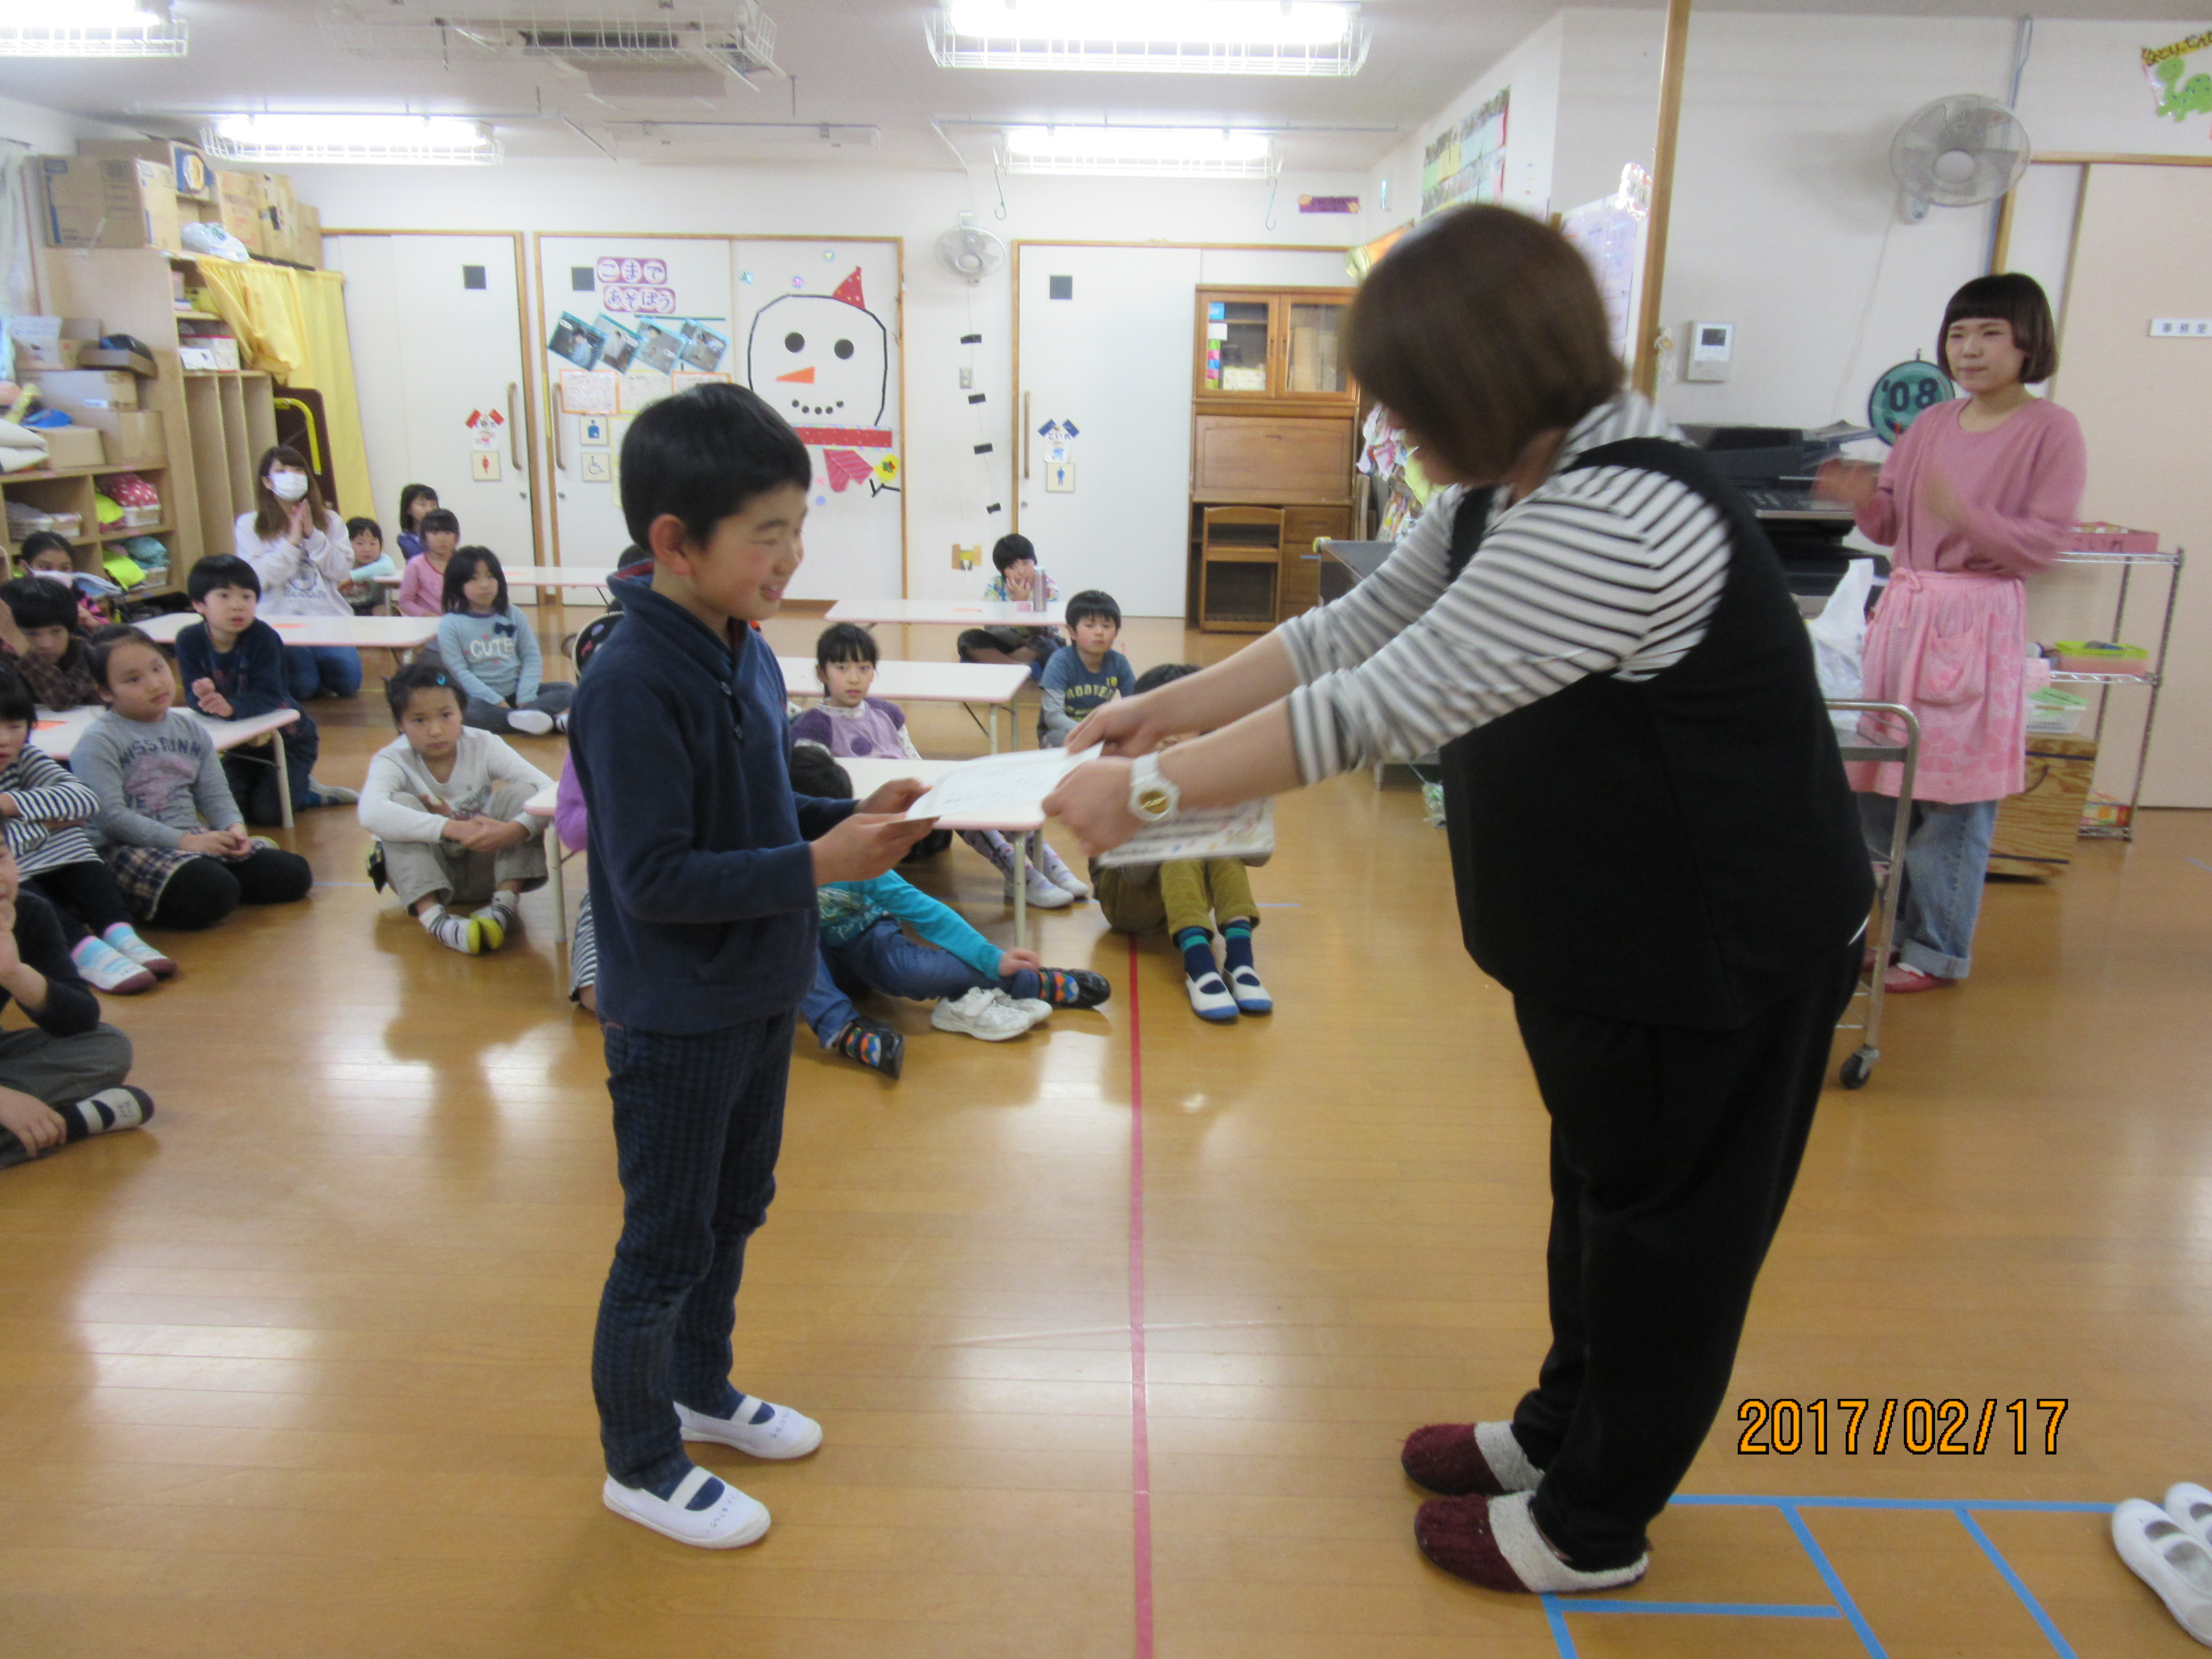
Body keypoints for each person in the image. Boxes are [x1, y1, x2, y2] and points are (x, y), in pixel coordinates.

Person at [1043, 205, 1871, 1597]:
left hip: (1719, 951)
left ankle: (1594, 1523)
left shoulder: (1621, 513)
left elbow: (1378, 705)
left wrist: (1155, 792)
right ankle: (1559, 1431)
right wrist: (1166, 707)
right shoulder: (1510, 486)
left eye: (1408, 403)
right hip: (1616, 947)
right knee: (1600, 1192)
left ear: (1487, 384)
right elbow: (1344, 630)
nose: (1390, 429)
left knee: (1667, 1239)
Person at [569, 380, 939, 1549]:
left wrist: (845, 814)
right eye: (767, 533)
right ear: (675, 542)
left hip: (759, 987)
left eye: (798, 525)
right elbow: (654, 877)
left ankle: (700, 1389)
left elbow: (751, 805)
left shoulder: (745, 647)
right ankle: (639, 1460)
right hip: (677, 1012)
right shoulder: (631, 681)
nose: (792, 555)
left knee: (736, 1207)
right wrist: (818, 861)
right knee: (664, 1241)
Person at [1815, 273, 2087, 994]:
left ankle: (1936, 950)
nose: (1970, 349)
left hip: (1976, 620)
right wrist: (1862, 496)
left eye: (1991, 333)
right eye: (1959, 334)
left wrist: (1964, 513)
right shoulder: (1931, 425)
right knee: (1883, 790)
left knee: (1952, 797)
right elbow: (1891, 525)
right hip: (1906, 618)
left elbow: (2042, 544)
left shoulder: (2051, 429)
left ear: (2029, 343)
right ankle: (1891, 936)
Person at [788, 746, 1109, 1075]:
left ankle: (1032, 982)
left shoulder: (862, 865)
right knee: (789, 941)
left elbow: (927, 913)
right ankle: (842, 1029)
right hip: (810, 965)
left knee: (916, 972)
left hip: (865, 940)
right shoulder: (780, 868)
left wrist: (993, 958)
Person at [791, 622, 1088, 909]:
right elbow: (819, 784)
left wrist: (934, 784)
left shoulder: (887, 713)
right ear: (822, 673)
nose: (854, 678)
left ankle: (1046, 864)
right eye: (842, 668)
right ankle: (1019, 874)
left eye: (864, 668)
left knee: (981, 793)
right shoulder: (814, 725)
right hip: (872, 811)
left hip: (908, 798)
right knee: (955, 804)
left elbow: (914, 760)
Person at [72, 626, 315, 932]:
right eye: (134, 680)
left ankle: (204, 879)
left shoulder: (190, 729)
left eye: (158, 668)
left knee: (294, 875)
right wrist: (186, 843)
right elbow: (111, 818)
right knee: (212, 892)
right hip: (125, 849)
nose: (154, 684)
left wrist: (235, 829)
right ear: (106, 692)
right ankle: (129, 898)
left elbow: (215, 794)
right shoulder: (99, 741)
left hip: (190, 837)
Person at [1089, 663, 1272, 1022]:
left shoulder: (1216, 769)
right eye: (1159, 724)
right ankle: (1199, 968)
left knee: (1220, 848)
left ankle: (1241, 962)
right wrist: (1165, 819)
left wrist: (1241, 820)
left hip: (1187, 897)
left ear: (1205, 724)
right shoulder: (1124, 771)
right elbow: (1134, 875)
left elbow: (1259, 857)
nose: (1170, 737)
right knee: (1181, 846)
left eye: (1183, 723)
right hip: (1127, 900)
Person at [360, 660, 553, 957]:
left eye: (446, 715)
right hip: (428, 872)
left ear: (462, 712)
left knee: (523, 793)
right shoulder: (392, 759)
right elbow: (370, 812)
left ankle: (503, 907)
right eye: (419, 720)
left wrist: (515, 830)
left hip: (487, 864)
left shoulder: (484, 744)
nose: (436, 730)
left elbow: (549, 791)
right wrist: (451, 827)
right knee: (397, 806)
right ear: (400, 724)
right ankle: (437, 921)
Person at [0, 662, 172, 994]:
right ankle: (82, 950)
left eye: (15, 726)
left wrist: (8, 805)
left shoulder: (24, 758)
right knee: (12, 870)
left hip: (45, 863)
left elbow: (85, 800)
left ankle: (120, 934)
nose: (5, 740)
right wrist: (47, 823)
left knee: (76, 848)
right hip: (16, 878)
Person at [0, 844, 154, 1173]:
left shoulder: (29, 912)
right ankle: (70, 1123)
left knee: (107, 1047)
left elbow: (80, 1021)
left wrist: (15, 973)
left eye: (0, 857)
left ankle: (31, 1127)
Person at [174, 554, 358, 823]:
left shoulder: (264, 638)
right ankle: (287, 788)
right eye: (224, 596)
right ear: (199, 604)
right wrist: (202, 697)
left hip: (289, 739)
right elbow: (192, 693)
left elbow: (271, 695)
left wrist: (231, 707)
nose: (237, 605)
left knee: (270, 814)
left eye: (247, 597)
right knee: (227, 809)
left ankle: (307, 792)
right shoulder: (189, 639)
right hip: (241, 742)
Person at [232, 445, 363, 703]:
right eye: (281, 470)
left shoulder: (331, 521)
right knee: (303, 685)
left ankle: (316, 664)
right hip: (279, 621)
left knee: (348, 682)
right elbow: (257, 579)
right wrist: (292, 542)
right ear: (267, 482)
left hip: (327, 618)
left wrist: (313, 535)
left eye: (298, 470)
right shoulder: (250, 524)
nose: (291, 475)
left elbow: (340, 571)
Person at [436, 546, 574, 736]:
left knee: (568, 690)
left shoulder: (513, 613)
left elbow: (531, 657)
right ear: (458, 585)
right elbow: (459, 672)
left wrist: (525, 697)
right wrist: (496, 701)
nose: (485, 585)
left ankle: (526, 718)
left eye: (490, 577)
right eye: (474, 579)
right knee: (467, 711)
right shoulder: (450, 624)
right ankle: (543, 721)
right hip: (482, 700)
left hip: (518, 693)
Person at [957, 533, 1064, 681]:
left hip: (1037, 642)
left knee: (1049, 645)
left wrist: (1022, 603)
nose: (1021, 571)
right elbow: (990, 625)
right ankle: (1019, 669)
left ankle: (995, 664)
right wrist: (1018, 641)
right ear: (1002, 571)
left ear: (1035, 562)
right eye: (1012, 567)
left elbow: (1044, 631)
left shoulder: (1046, 586)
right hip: (1007, 642)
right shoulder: (996, 585)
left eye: (1026, 563)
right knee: (968, 638)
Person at [1038, 589, 1134, 747]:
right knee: (1066, 742)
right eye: (1090, 626)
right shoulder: (1060, 662)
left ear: (1116, 632)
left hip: (1099, 734)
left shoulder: (1119, 663)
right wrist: (1093, 733)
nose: (1099, 632)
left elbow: (1135, 704)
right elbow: (1053, 717)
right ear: (1072, 632)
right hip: (1062, 733)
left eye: (1107, 626)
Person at [0, 577, 101, 709]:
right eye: (31, 634)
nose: (46, 644)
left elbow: (63, 701)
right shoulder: (7, 656)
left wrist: (23, 647)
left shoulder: (83, 652)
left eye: (56, 631)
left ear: (70, 630)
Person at [553, 752, 595, 1013]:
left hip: (695, 888)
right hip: (612, 894)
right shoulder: (593, 739)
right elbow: (569, 828)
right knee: (596, 994)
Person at [15, 532, 108, 632]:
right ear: (25, 567)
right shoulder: (16, 600)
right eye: (46, 567)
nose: (56, 574)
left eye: (65, 568)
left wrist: (92, 623)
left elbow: (108, 632)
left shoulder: (79, 595)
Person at [396, 509, 459, 618]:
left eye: (447, 533)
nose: (441, 539)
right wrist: (427, 615)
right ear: (424, 537)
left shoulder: (463, 563)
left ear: (457, 537)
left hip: (459, 622)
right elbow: (405, 602)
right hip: (426, 623)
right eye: (435, 533)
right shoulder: (416, 565)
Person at [344, 516, 398, 614]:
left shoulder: (381, 560)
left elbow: (388, 567)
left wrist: (352, 577)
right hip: (343, 610)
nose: (367, 549)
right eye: (360, 543)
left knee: (391, 611)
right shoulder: (342, 560)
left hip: (371, 607)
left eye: (373, 544)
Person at [396, 483, 439, 561]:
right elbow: (422, 561)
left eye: (433, 505)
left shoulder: (443, 533)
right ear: (408, 509)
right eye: (422, 505)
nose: (429, 510)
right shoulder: (405, 538)